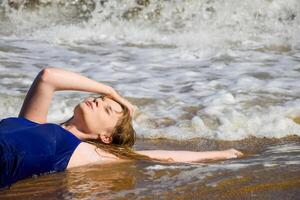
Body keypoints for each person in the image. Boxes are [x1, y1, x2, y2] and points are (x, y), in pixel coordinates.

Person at [0, 67, 243, 189]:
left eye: (107, 109)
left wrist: (222, 154)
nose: (98, 101)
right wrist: (110, 91)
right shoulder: (32, 121)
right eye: (101, 100)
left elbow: (157, 156)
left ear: (105, 137)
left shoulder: (78, 151)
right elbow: (48, 76)